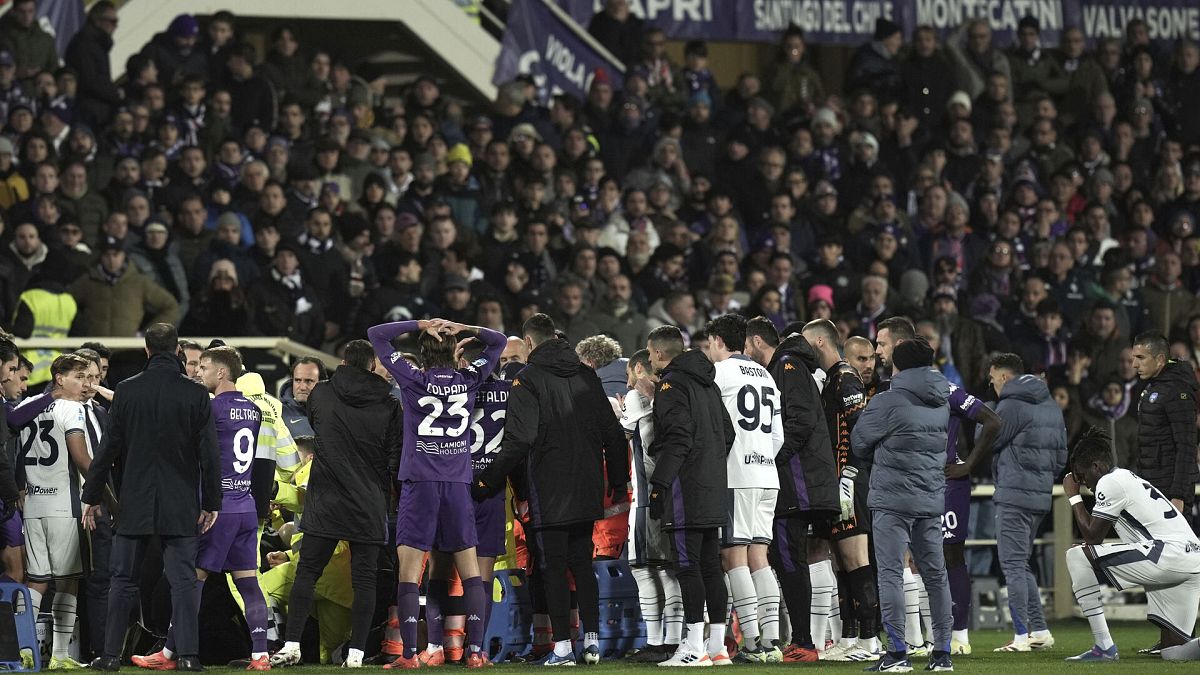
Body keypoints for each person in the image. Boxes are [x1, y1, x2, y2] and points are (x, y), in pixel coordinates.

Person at [475, 314, 628, 665]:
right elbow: (614, 435)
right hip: (588, 486)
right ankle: (590, 642)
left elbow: (519, 440)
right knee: (582, 562)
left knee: (554, 567)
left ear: (529, 343)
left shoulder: (528, 379)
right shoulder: (586, 375)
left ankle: (561, 648)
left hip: (549, 486)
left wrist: (487, 481)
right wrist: (617, 483)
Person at [366, 318, 505, 669]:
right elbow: (498, 341)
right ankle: (475, 652)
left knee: (410, 573)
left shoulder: (413, 379)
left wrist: (419, 323)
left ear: (423, 358)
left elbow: (376, 335)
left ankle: (410, 655)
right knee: (471, 570)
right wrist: (462, 326)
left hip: (420, 483)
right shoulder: (469, 378)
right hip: (458, 485)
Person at [82, 323, 220, 673]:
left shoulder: (127, 392)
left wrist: (91, 494)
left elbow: (107, 450)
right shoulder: (195, 394)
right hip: (181, 502)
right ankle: (188, 656)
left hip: (136, 501)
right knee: (184, 581)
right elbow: (209, 454)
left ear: (146, 350)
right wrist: (212, 503)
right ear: (177, 351)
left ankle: (110, 656)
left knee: (123, 581)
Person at [133, 346, 274, 671]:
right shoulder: (253, 409)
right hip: (245, 507)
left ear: (222, 372)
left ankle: (168, 654)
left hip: (218, 508)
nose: (199, 371)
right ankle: (260, 655)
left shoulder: (210, 409)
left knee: (190, 581)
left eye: (205, 367)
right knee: (248, 584)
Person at [269, 339, 403, 668]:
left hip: (326, 499)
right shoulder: (389, 404)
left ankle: (292, 644)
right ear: (372, 367)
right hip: (368, 502)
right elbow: (394, 458)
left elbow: (318, 425)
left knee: (307, 573)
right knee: (364, 579)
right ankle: (356, 653)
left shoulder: (322, 394)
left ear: (342, 363)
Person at [879, 316, 1002, 656]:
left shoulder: (942, 387)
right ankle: (921, 641)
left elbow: (991, 421)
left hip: (944, 484)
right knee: (911, 561)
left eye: (882, 344)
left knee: (947, 557)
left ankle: (958, 636)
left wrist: (968, 465)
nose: (878, 351)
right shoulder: (892, 388)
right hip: (907, 483)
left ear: (900, 347)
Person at [850, 337, 955, 673]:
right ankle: (942, 654)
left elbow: (859, 441)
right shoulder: (941, 400)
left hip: (893, 499)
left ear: (898, 364)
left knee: (892, 574)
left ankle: (897, 654)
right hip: (929, 496)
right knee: (936, 575)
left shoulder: (887, 400)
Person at [744, 318, 839, 662]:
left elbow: (799, 421)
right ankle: (806, 639)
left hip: (798, 483)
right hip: (804, 480)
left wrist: (771, 458)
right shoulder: (791, 364)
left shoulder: (787, 364)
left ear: (755, 342)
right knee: (795, 560)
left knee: (789, 561)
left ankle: (805, 642)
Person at [1062, 427, 1200, 662]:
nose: (1084, 483)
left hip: (1168, 555)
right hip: (1191, 559)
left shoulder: (1109, 482)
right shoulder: (1126, 477)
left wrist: (1073, 496)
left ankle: (1104, 647)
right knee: (1175, 653)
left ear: (1096, 466)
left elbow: (1093, 538)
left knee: (1076, 555)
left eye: (1082, 475)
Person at [643, 325, 734, 666]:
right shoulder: (707, 383)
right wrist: (708, 464)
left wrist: (660, 484)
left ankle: (694, 647)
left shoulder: (671, 385)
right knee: (711, 567)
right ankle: (717, 647)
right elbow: (727, 433)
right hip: (713, 485)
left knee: (687, 566)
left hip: (685, 487)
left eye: (651, 353)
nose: (651, 359)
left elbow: (678, 438)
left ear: (661, 353)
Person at [705, 314, 783, 662]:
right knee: (759, 557)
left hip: (736, 475)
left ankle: (752, 642)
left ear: (719, 341)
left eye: (709, 343)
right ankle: (772, 639)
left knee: (733, 555)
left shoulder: (719, 374)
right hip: (768, 476)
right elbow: (778, 436)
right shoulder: (765, 373)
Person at [800, 318, 879, 661]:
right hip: (836, 483)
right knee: (842, 565)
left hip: (849, 481)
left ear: (819, 342)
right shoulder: (833, 378)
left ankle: (871, 641)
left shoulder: (846, 379)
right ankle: (849, 638)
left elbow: (862, 432)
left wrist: (848, 476)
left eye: (806, 344)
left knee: (856, 560)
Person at [982, 353, 1067, 653]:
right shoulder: (1051, 406)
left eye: (992, 379)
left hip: (1013, 495)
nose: (991, 385)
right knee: (1022, 564)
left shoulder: (1009, 405)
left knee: (1013, 565)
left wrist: (988, 414)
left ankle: (1020, 636)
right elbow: (1060, 459)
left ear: (1004, 377)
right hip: (1040, 496)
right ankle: (1040, 630)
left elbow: (988, 441)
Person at [13, 354, 91, 670]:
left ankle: (25, 650)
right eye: (80, 377)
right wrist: (109, 496)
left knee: (36, 581)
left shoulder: (29, 404)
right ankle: (59, 654)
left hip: (33, 505)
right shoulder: (72, 409)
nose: (86, 384)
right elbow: (81, 458)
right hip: (65, 505)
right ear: (60, 378)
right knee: (68, 580)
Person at [621, 349, 684, 664]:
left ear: (637, 369)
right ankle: (667, 641)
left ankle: (660, 642)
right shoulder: (672, 396)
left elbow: (635, 435)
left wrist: (618, 410)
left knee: (648, 569)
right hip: (669, 489)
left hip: (647, 495)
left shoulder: (636, 396)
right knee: (665, 568)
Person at [1130, 331, 1199, 513]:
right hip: (1151, 487)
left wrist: (1179, 496)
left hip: (1170, 494)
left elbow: (1187, 446)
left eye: (1140, 358)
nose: (1134, 364)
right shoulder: (1154, 386)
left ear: (1160, 359)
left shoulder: (1177, 390)